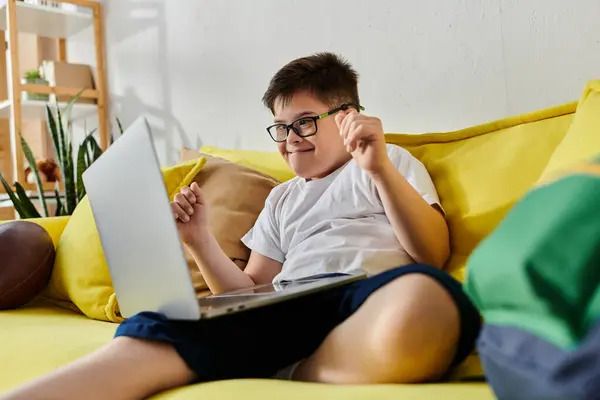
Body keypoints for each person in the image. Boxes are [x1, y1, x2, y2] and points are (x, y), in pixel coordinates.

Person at [2, 52, 481, 400]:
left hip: (368, 296)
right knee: (166, 323)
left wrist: (377, 168)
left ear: (348, 117)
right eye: (280, 127)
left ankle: (295, 369)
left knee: (428, 297)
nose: (289, 140)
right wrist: (200, 241)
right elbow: (250, 289)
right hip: (292, 302)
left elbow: (431, 252)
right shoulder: (282, 198)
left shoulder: (388, 160)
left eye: (305, 123)